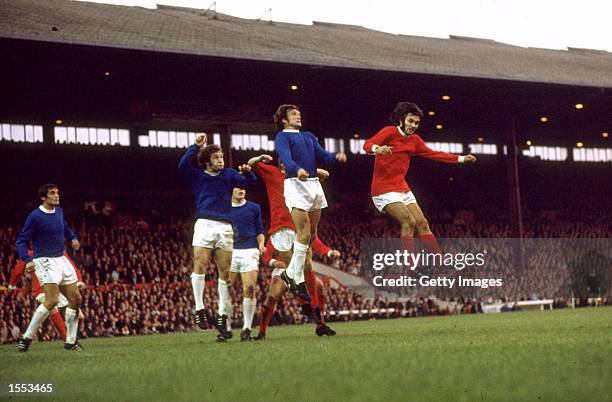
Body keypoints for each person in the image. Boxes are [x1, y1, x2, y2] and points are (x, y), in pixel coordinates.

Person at [363, 101, 476, 256]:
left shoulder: (415, 140)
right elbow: (367, 145)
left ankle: (440, 263)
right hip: (383, 189)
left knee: (422, 223)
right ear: (401, 120)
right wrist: (378, 149)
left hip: (402, 187)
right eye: (410, 121)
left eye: (416, 122)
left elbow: (434, 154)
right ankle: (411, 268)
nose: (414, 125)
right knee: (408, 221)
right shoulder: (389, 132)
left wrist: (461, 159)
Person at [178, 133, 257, 342]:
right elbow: (183, 165)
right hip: (204, 223)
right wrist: (195, 146)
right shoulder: (198, 176)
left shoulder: (230, 175)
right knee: (200, 265)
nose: (221, 160)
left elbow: (250, 184)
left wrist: (249, 174)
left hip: (225, 226)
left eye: (222, 157)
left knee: (225, 273)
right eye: (216, 158)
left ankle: (222, 314)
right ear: (206, 161)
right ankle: (200, 308)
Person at [273, 104, 347, 299]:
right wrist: (296, 169)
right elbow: (286, 159)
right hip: (295, 184)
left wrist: (335, 156)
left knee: (311, 235)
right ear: (284, 119)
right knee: (303, 233)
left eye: (299, 113)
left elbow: (322, 155)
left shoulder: (308, 136)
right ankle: (294, 276)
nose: (298, 116)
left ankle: (291, 275)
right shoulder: (282, 136)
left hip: (314, 184)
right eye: (293, 114)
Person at [15, 183, 83, 351]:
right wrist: (27, 259)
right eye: (52, 193)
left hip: (61, 258)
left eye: (57, 193)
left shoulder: (59, 212)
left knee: (76, 299)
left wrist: (73, 238)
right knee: (51, 300)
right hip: (44, 260)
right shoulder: (35, 217)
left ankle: (70, 341)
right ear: (43, 197)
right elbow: (21, 240)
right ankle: (26, 337)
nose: (57, 195)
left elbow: (65, 229)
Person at [255, 237, 340, 339]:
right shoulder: (279, 232)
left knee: (319, 286)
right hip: (283, 271)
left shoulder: (303, 229)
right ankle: (262, 332)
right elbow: (266, 256)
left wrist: (329, 252)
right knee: (271, 297)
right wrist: (274, 262)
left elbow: (315, 241)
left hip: (300, 271)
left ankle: (320, 325)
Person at [9, 250, 86, 342]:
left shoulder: (60, 250)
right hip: (40, 289)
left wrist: (79, 280)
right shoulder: (31, 254)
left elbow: (73, 267)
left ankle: (71, 335)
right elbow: (18, 269)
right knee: (52, 308)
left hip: (58, 287)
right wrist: (11, 285)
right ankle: (67, 340)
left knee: (80, 316)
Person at [228, 187, 265, 341]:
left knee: (249, 288)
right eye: (237, 187)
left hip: (249, 250)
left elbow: (260, 230)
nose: (241, 189)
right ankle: (226, 327)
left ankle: (246, 328)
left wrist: (261, 244)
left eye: (244, 187)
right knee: (226, 289)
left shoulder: (254, 207)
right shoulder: (223, 207)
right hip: (229, 251)